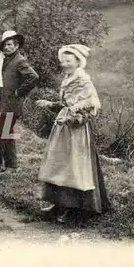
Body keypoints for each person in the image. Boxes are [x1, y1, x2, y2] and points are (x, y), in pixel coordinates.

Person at [36, 44, 110, 223]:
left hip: (76, 132)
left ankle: (74, 208)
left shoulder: (84, 82)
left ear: (78, 62)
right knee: (59, 165)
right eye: (63, 61)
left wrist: (70, 120)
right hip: (62, 129)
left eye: (69, 61)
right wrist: (51, 104)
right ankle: (58, 204)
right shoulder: (68, 79)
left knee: (74, 168)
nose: (65, 64)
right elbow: (67, 104)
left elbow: (89, 110)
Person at [0, 31, 39, 179]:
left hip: (11, 104)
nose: (7, 47)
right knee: (7, 133)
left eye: (10, 44)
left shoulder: (19, 60)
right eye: (5, 45)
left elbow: (33, 77)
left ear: (16, 45)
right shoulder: (6, 60)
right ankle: (12, 165)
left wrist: (19, 92)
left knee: (0, 137)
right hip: (2, 101)